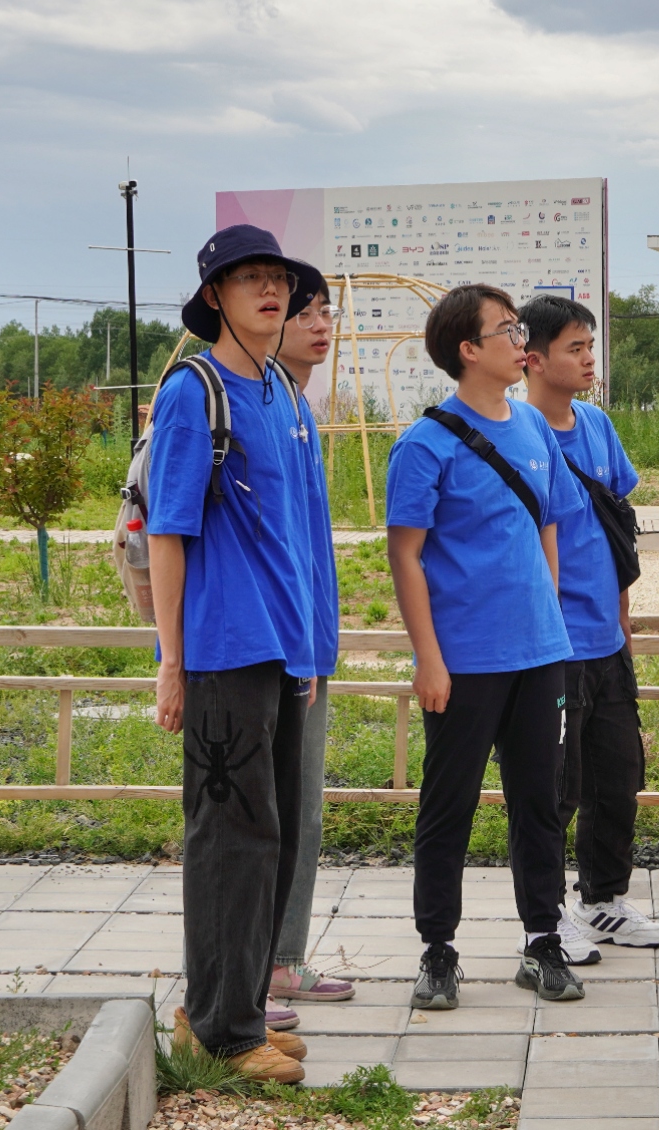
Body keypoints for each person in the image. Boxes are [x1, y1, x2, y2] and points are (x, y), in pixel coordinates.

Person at [150, 225, 327, 1085]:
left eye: (278, 278)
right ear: (214, 296)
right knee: (232, 836)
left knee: (275, 835)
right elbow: (169, 530)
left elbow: (304, 533)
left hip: (286, 648)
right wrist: (171, 660)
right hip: (224, 647)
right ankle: (220, 1031)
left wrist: (314, 645)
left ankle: (235, 1010)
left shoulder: (285, 394)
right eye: (249, 278)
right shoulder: (196, 391)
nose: (270, 290)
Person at [386, 284, 586, 1009]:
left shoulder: (532, 427)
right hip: (464, 662)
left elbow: (549, 523)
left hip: (540, 656)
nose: (521, 340)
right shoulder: (425, 444)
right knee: (450, 806)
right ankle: (438, 950)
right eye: (508, 330)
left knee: (540, 802)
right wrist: (428, 658)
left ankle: (543, 940)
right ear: (468, 350)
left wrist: (549, 614)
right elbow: (405, 555)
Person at [519, 295, 659, 964]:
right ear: (533, 359)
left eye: (590, 347)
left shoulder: (597, 425)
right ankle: (544, 919)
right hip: (553, 646)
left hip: (607, 638)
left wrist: (623, 616)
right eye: (575, 348)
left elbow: (616, 526)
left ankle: (602, 899)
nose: (589, 360)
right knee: (556, 787)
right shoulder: (519, 436)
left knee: (618, 775)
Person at [265, 291, 357, 1006]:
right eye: (306, 314)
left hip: (306, 642)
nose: (321, 326)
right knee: (266, 815)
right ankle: (256, 969)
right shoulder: (256, 401)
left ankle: (279, 959)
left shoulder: (298, 406)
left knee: (301, 810)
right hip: (271, 647)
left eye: (327, 312)